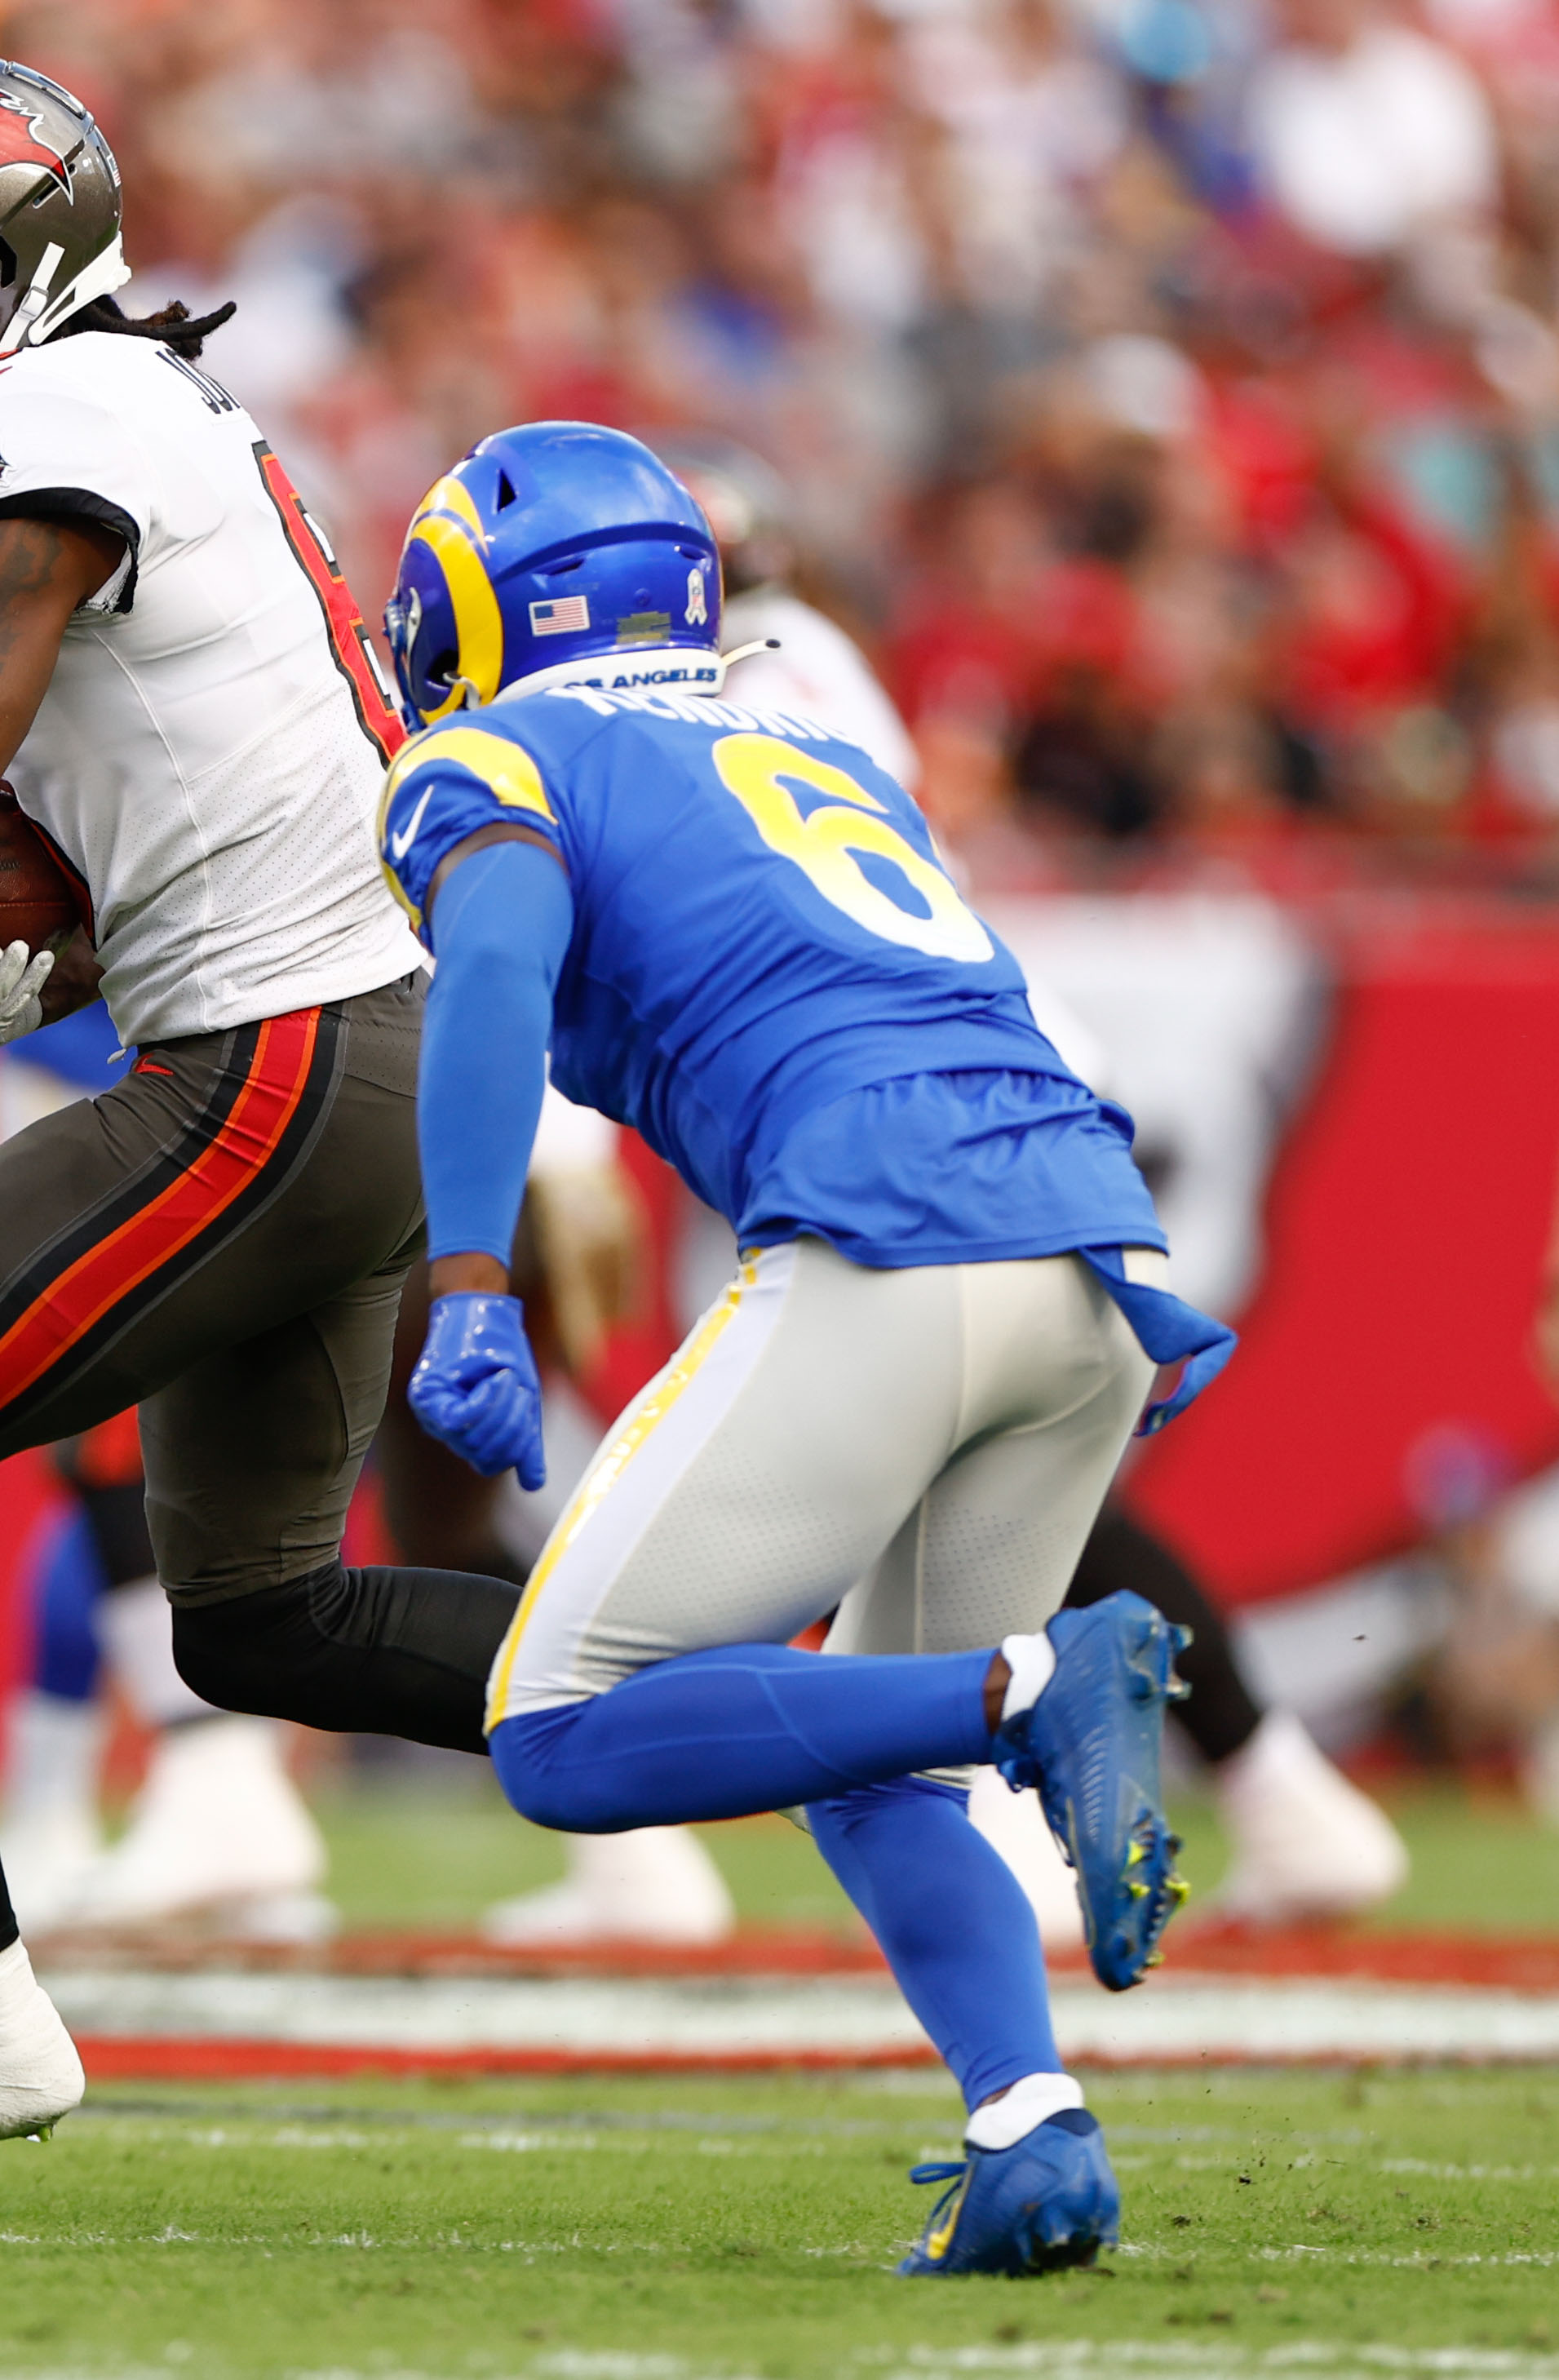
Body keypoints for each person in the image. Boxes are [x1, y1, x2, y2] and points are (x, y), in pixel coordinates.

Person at [0, 51, 529, 2198]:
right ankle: (883, 1710)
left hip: (271, 1064)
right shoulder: (151, 408)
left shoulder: (34, 416)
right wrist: (21, 962)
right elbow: (137, 850)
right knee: (262, 1620)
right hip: (366, 1039)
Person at [375, 421, 1233, 2275]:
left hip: (887, 1228)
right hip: (1083, 1243)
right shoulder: (811, 736)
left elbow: (500, 972)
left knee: (559, 1725)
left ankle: (1036, 1690)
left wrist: (465, 1277)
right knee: (872, 1745)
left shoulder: (505, 750)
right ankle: (1031, 2125)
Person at [468, 437, 1403, 1950]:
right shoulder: (798, 685)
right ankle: (1245, 1803)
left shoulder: (673, 717)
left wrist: (543, 1171)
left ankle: (1075, 1752)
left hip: (882, 1108)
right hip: (1004, 1091)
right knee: (992, 1470)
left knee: (840, 1504)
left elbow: (598, 916)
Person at [0, 1007, 335, 1941]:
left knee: (181, 1464)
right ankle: (199, 1797)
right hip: (192, 1074)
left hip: (261, 1075)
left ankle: (221, 1796)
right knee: (138, 1463)